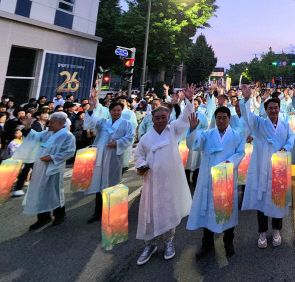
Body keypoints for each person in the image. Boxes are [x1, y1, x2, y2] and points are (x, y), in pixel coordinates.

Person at [132, 84, 196, 266]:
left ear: (169, 118)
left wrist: (189, 100)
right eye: (157, 118)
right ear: (152, 120)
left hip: (169, 181)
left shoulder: (173, 130)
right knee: (150, 213)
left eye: (163, 117)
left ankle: (169, 241)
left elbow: (185, 118)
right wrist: (142, 165)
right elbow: (139, 156)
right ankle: (149, 244)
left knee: (169, 210)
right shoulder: (145, 139)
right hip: (152, 182)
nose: (160, 120)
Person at [186, 106, 245, 259]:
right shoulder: (207, 134)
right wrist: (192, 129)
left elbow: (240, 153)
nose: (221, 120)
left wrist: (228, 163)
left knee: (226, 210)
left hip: (226, 179)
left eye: (224, 118)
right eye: (218, 118)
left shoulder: (236, 136)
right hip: (208, 180)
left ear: (229, 119)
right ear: (215, 119)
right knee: (208, 211)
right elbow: (193, 145)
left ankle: (228, 242)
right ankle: (207, 243)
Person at [239, 84, 295, 249]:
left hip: (279, 168)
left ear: (279, 108)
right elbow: (247, 116)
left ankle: (277, 230)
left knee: (278, 199)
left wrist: (285, 148)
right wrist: (247, 99)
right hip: (262, 168)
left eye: (276, 107)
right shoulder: (259, 123)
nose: (273, 110)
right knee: (262, 200)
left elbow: (291, 138)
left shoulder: (285, 125)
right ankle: (262, 232)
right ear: (265, 109)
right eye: (270, 108)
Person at [14, 112, 76, 230]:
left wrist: (52, 158)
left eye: (52, 122)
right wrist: (27, 127)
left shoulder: (68, 136)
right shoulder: (47, 134)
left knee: (54, 191)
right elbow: (34, 137)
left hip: (54, 168)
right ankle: (43, 217)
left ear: (60, 123)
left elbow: (70, 152)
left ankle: (59, 215)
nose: (49, 125)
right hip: (40, 167)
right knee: (39, 191)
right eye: (49, 122)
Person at [84, 89, 135, 223]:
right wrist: (92, 106)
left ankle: (111, 213)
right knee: (99, 185)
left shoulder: (126, 124)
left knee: (112, 185)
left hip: (114, 157)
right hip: (100, 158)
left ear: (122, 111)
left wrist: (117, 143)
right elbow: (91, 121)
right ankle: (97, 212)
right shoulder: (103, 122)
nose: (116, 112)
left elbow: (129, 137)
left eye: (119, 110)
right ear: (110, 111)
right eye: (114, 110)